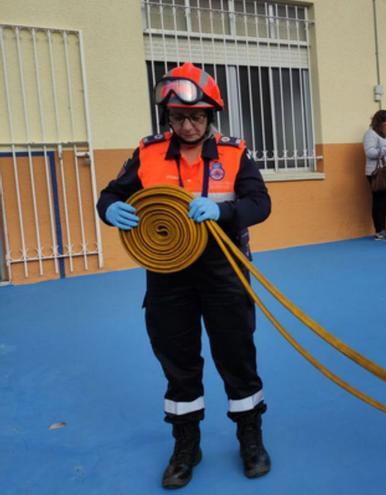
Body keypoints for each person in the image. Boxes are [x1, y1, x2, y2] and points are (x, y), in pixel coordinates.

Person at [95, 62, 272, 488]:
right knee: (178, 361)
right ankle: (186, 444)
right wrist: (108, 209)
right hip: (167, 273)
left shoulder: (233, 153)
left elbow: (259, 203)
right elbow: (111, 194)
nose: (188, 125)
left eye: (196, 116)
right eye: (178, 117)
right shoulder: (149, 152)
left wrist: (224, 211)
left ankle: (250, 437)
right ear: (167, 118)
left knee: (236, 355)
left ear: (211, 116)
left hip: (224, 269)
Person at [364, 110, 386, 240]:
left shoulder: (383, 134)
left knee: (384, 202)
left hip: (385, 171)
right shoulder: (370, 134)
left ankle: (383, 229)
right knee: (378, 202)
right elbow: (370, 153)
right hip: (375, 172)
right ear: (379, 122)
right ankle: (379, 231)